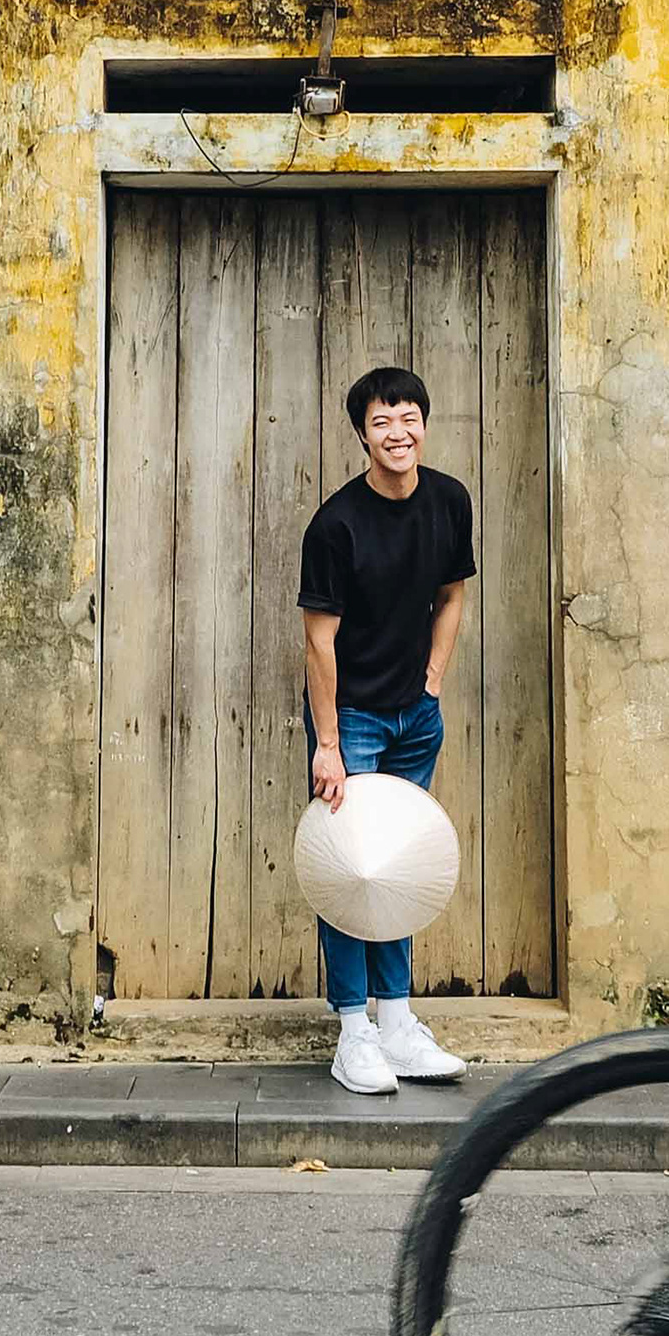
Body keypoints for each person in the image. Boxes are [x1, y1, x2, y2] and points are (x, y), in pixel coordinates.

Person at [297, 365, 476, 1096]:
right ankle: (354, 1031)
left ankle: (398, 1022)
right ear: (363, 435)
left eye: (408, 418)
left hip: (414, 716)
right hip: (354, 717)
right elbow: (318, 642)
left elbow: (453, 594)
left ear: (423, 424)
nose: (397, 433)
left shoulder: (449, 501)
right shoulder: (336, 525)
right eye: (381, 422)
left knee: (397, 861)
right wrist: (330, 743)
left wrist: (432, 682)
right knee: (351, 866)